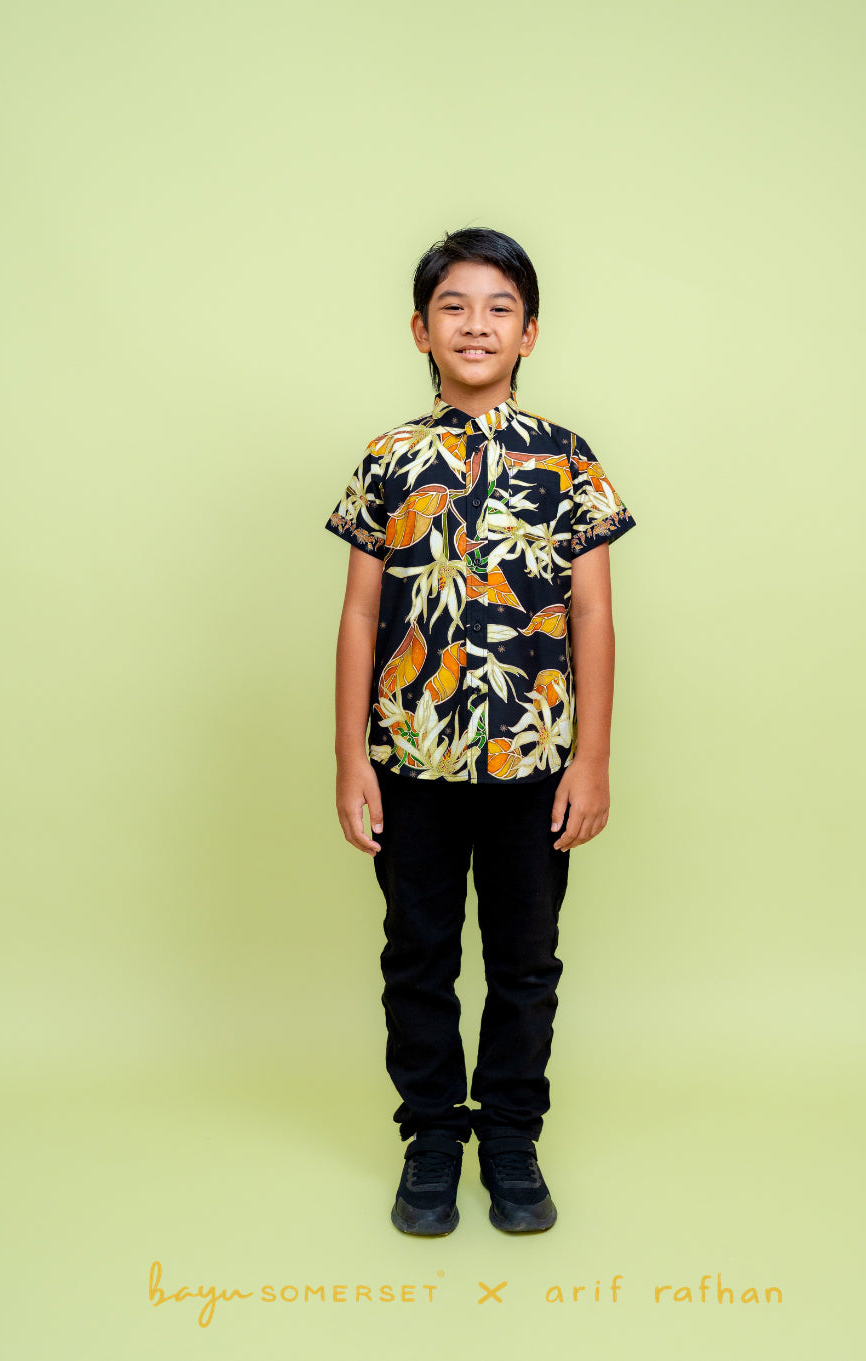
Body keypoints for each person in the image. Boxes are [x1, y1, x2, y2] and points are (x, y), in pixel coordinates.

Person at [324, 226, 635, 1236]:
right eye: (453, 306)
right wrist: (350, 759)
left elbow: (592, 611)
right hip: (410, 756)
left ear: (529, 332)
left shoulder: (568, 458)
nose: (476, 324)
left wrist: (590, 758)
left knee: (524, 960)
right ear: (420, 328)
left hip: (532, 760)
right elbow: (360, 613)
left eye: (500, 307)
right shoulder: (388, 459)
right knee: (416, 955)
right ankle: (429, 1135)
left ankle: (508, 1136)